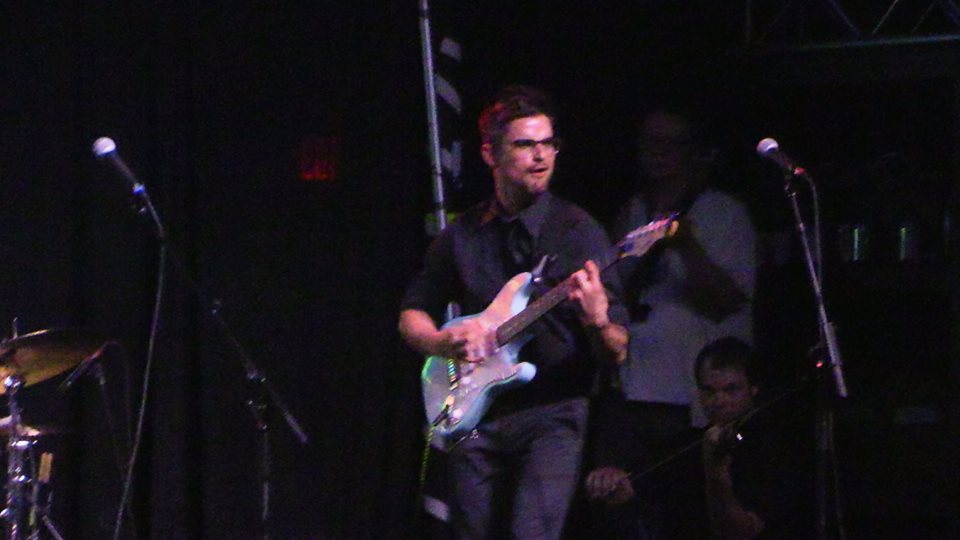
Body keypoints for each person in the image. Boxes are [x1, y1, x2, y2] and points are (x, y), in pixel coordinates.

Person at [399, 85, 629, 540]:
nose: (540, 156)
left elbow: (617, 352)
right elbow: (412, 313)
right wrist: (443, 342)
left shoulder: (578, 232)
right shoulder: (463, 234)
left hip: (553, 412)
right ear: (490, 153)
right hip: (475, 413)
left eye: (548, 144)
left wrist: (599, 321)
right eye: (525, 144)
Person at [581, 103, 757, 538]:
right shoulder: (632, 211)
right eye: (650, 142)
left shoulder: (723, 212)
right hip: (632, 389)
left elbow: (726, 300)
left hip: (690, 397)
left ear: (694, 151)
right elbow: (617, 290)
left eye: (670, 143)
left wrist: (684, 244)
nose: (658, 152)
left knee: (685, 514)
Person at [585, 336, 813, 539]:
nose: (719, 401)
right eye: (709, 391)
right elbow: (643, 486)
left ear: (753, 389)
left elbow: (741, 532)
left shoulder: (777, 447)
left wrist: (716, 474)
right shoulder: (688, 444)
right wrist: (611, 479)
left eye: (731, 390)